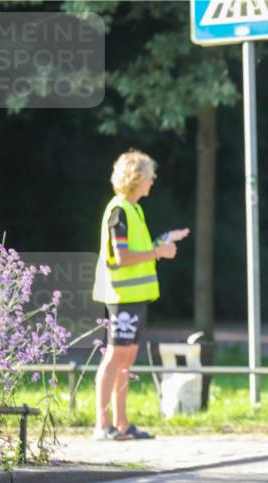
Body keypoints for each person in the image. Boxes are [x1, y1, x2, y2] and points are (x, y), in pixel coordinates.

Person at [91, 150, 189, 440]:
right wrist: (159, 251)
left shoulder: (134, 209)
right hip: (121, 297)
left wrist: (161, 241)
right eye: (149, 174)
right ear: (135, 178)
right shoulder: (119, 210)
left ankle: (122, 425)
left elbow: (137, 251)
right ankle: (102, 425)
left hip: (135, 298)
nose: (153, 179)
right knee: (115, 358)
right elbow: (121, 256)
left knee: (126, 360)